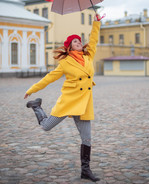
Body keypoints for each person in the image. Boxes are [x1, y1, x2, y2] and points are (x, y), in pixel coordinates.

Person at [24, 14, 102, 182]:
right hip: (69, 102)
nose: (79, 42)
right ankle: (36, 106)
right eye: (75, 41)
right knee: (46, 127)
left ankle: (85, 171)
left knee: (87, 138)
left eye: (79, 40)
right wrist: (32, 89)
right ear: (69, 47)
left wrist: (96, 22)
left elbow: (93, 40)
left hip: (84, 104)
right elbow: (49, 78)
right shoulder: (65, 63)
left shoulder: (89, 57)